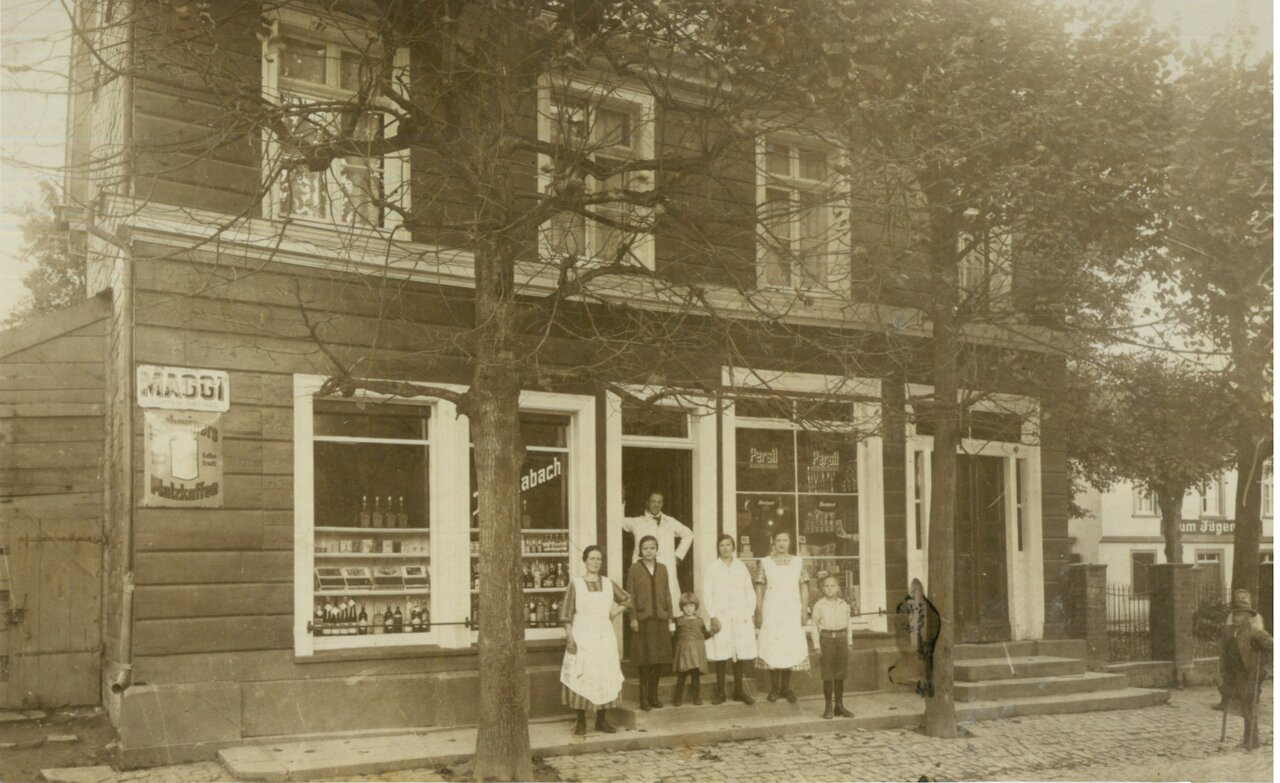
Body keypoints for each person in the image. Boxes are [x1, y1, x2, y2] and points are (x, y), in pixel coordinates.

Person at [560, 545, 631, 736]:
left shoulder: (608, 583)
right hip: (582, 634)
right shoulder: (575, 584)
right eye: (592, 558)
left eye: (599, 558)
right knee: (581, 675)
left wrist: (613, 614)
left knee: (604, 675)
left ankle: (601, 720)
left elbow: (627, 600)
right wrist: (569, 637)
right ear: (585, 561)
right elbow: (566, 614)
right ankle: (581, 721)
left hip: (604, 636)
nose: (596, 562)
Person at [754, 529, 810, 703]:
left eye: (785, 540)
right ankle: (774, 688)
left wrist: (804, 609)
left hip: (791, 610)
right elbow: (760, 588)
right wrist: (758, 610)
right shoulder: (765, 562)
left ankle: (786, 688)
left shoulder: (798, 562)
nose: (781, 543)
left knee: (789, 646)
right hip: (772, 610)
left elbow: (804, 587)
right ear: (773, 542)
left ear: (790, 542)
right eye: (778, 540)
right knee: (773, 646)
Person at [703, 534, 758, 704]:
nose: (725, 548)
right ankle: (720, 693)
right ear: (718, 548)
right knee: (721, 654)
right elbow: (707, 593)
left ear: (733, 547)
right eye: (722, 545)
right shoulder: (713, 568)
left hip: (740, 616)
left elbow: (749, 591)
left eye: (728, 545)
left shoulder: (741, 567)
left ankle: (738, 691)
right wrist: (712, 615)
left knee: (738, 653)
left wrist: (749, 613)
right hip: (721, 617)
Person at [1218, 591, 1272, 750]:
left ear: (1248, 617)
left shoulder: (1256, 633)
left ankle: (1252, 742)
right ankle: (1248, 740)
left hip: (1250, 675)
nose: (1237, 618)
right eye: (1235, 615)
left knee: (1249, 707)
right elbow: (1224, 651)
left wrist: (1266, 668)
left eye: (1240, 615)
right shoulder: (1230, 631)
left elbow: (1273, 645)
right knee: (1243, 707)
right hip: (1234, 675)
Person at [622, 492, 693, 607]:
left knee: (667, 599)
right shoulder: (637, 522)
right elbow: (618, 520)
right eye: (653, 501)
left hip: (666, 565)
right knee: (645, 598)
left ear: (662, 504)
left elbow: (688, 534)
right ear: (647, 503)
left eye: (659, 502)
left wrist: (678, 556)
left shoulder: (670, 521)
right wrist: (622, 500)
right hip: (644, 566)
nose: (656, 505)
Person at [628, 535, 674, 710]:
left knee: (658, 661)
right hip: (643, 620)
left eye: (652, 548)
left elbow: (667, 594)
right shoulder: (634, 569)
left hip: (660, 620)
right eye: (645, 548)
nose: (649, 551)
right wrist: (633, 617)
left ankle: (654, 696)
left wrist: (669, 618)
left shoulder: (663, 568)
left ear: (657, 550)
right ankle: (643, 698)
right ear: (640, 550)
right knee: (645, 661)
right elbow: (630, 595)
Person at [810, 574, 855, 719]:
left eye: (833, 586)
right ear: (822, 589)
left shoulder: (844, 604)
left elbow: (849, 624)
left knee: (840, 674)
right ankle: (828, 706)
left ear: (838, 588)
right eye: (827, 586)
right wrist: (817, 646)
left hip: (841, 640)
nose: (830, 589)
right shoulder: (819, 605)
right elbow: (814, 627)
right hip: (827, 641)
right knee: (828, 674)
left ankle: (839, 706)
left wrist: (849, 642)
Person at [671, 592, 712, 706]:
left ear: (695, 607)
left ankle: (696, 697)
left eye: (691, 606)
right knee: (681, 676)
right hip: (683, 652)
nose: (688, 609)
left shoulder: (700, 621)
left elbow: (705, 635)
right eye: (685, 606)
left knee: (695, 676)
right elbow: (673, 636)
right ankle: (677, 698)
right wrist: (671, 630)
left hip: (696, 653)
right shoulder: (678, 620)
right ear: (682, 607)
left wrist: (713, 631)